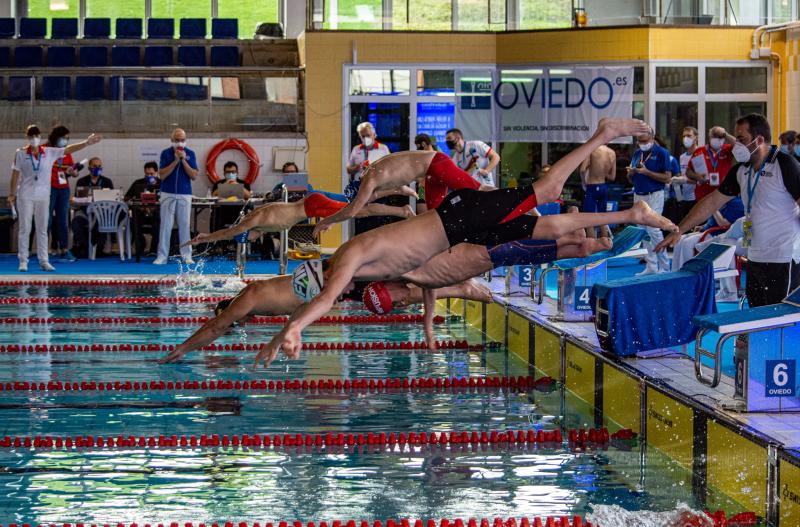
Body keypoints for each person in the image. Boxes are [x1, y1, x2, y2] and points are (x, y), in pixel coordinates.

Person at [256, 118, 676, 366]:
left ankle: (602, 135)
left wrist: (296, 328)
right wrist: (286, 332)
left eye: (334, 288)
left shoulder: (350, 259)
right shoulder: (377, 273)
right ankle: (630, 216)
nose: (340, 294)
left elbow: (326, 299)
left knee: (546, 192)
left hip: (457, 217)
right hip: (461, 230)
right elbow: (414, 286)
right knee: (546, 229)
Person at [158, 275, 494, 363]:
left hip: (333, 284)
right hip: (329, 284)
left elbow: (216, 327)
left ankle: (461, 286)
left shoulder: (247, 300)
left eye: (234, 320)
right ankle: (459, 286)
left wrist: (184, 348)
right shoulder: (257, 296)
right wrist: (280, 339)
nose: (236, 325)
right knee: (395, 294)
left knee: (397, 293)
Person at [657, 113, 800, 308]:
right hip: (755, 256)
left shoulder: (785, 165)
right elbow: (711, 202)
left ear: (759, 140)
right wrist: (679, 230)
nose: (737, 145)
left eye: (741, 139)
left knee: (779, 320)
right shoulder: (741, 170)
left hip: (783, 257)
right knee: (757, 316)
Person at [311, 149, 491, 236]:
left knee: (479, 190)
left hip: (437, 164)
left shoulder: (370, 181)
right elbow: (365, 207)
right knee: (435, 217)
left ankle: (510, 198)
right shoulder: (373, 174)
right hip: (429, 174)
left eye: (365, 197)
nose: (369, 199)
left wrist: (326, 222)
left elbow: (353, 210)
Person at [8, 125, 100, 272]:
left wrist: (86, 143)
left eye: (36, 136)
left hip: (44, 195)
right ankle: (23, 261)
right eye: (31, 137)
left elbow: (69, 149)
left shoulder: (49, 152)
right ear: (28, 138)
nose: (34, 139)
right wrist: (12, 194)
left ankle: (44, 260)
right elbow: (14, 174)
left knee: (43, 228)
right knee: (25, 228)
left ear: (39, 136)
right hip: (25, 195)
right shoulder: (21, 154)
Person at [186, 189, 415, 247]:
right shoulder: (261, 225)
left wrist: (204, 238)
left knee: (359, 209)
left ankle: (402, 208)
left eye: (248, 239)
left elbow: (230, 232)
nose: (253, 241)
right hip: (312, 207)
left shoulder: (253, 222)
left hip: (312, 205)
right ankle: (397, 196)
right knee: (357, 206)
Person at [626, 127, 671, 275]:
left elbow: (667, 178)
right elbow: (630, 178)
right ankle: (651, 266)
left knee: (654, 230)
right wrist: (631, 173)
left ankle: (664, 267)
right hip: (638, 194)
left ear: (652, 138)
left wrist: (647, 172)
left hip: (654, 195)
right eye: (639, 141)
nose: (642, 144)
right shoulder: (637, 153)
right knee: (643, 231)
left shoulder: (662, 153)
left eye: (645, 141)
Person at [154, 128, 198, 265]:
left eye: (182, 140)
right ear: (171, 140)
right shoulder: (165, 154)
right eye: (177, 140)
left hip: (184, 193)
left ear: (186, 140)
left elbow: (194, 176)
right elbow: (162, 175)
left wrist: (183, 160)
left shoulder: (190, 154)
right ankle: (162, 256)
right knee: (165, 226)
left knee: (185, 225)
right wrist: (175, 161)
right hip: (168, 192)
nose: (180, 143)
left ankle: (186, 255)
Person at [48, 126, 81, 263]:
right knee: (47, 220)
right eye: (64, 138)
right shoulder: (46, 149)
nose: (66, 141)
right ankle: (44, 249)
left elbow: (71, 169)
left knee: (63, 220)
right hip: (48, 188)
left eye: (68, 138)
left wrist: (73, 172)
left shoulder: (67, 153)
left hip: (63, 188)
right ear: (56, 137)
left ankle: (64, 249)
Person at [71, 157, 115, 258]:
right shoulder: (81, 181)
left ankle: (98, 249)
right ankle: (85, 247)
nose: (97, 168)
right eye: (94, 166)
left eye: (99, 166)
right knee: (76, 222)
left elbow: (112, 199)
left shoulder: (107, 182)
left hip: (101, 213)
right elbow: (77, 199)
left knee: (103, 221)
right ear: (89, 167)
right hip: (84, 211)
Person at [686, 126, 736, 203]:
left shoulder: (727, 150)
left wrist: (725, 134)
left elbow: (739, 145)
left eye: (720, 137)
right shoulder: (699, 151)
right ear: (710, 137)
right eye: (715, 136)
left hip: (723, 195)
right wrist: (696, 176)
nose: (717, 139)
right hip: (703, 195)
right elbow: (688, 172)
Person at [125, 162, 161, 256]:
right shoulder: (138, 183)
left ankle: (153, 249)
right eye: (147, 174)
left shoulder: (162, 184)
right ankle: (140, 247)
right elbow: (127, 197)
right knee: (133, 222)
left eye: (151, 174)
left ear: (157, 173)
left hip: (156, 213)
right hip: (141, 212)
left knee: (159, 221)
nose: (149, 176)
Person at [579, 145, 615, 237]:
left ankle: (592, 245)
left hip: (592, 187)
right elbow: (612, 177)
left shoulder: (592, 150)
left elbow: (582, 169)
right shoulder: (612, 153)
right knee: (603, 218)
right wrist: (602, 172)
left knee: (589, 220)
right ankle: (605, 243)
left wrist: (584, 183)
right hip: (603, 187)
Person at [671, 127, 699, 223]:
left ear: (696, 138)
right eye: (684, 136)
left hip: (696, 198)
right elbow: (681, 176)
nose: (686, 138)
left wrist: (685, 180)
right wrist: (677, 181)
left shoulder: (699, 154)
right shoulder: (682, 157)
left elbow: (703, 180)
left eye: (689, 136)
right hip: (684, 199)